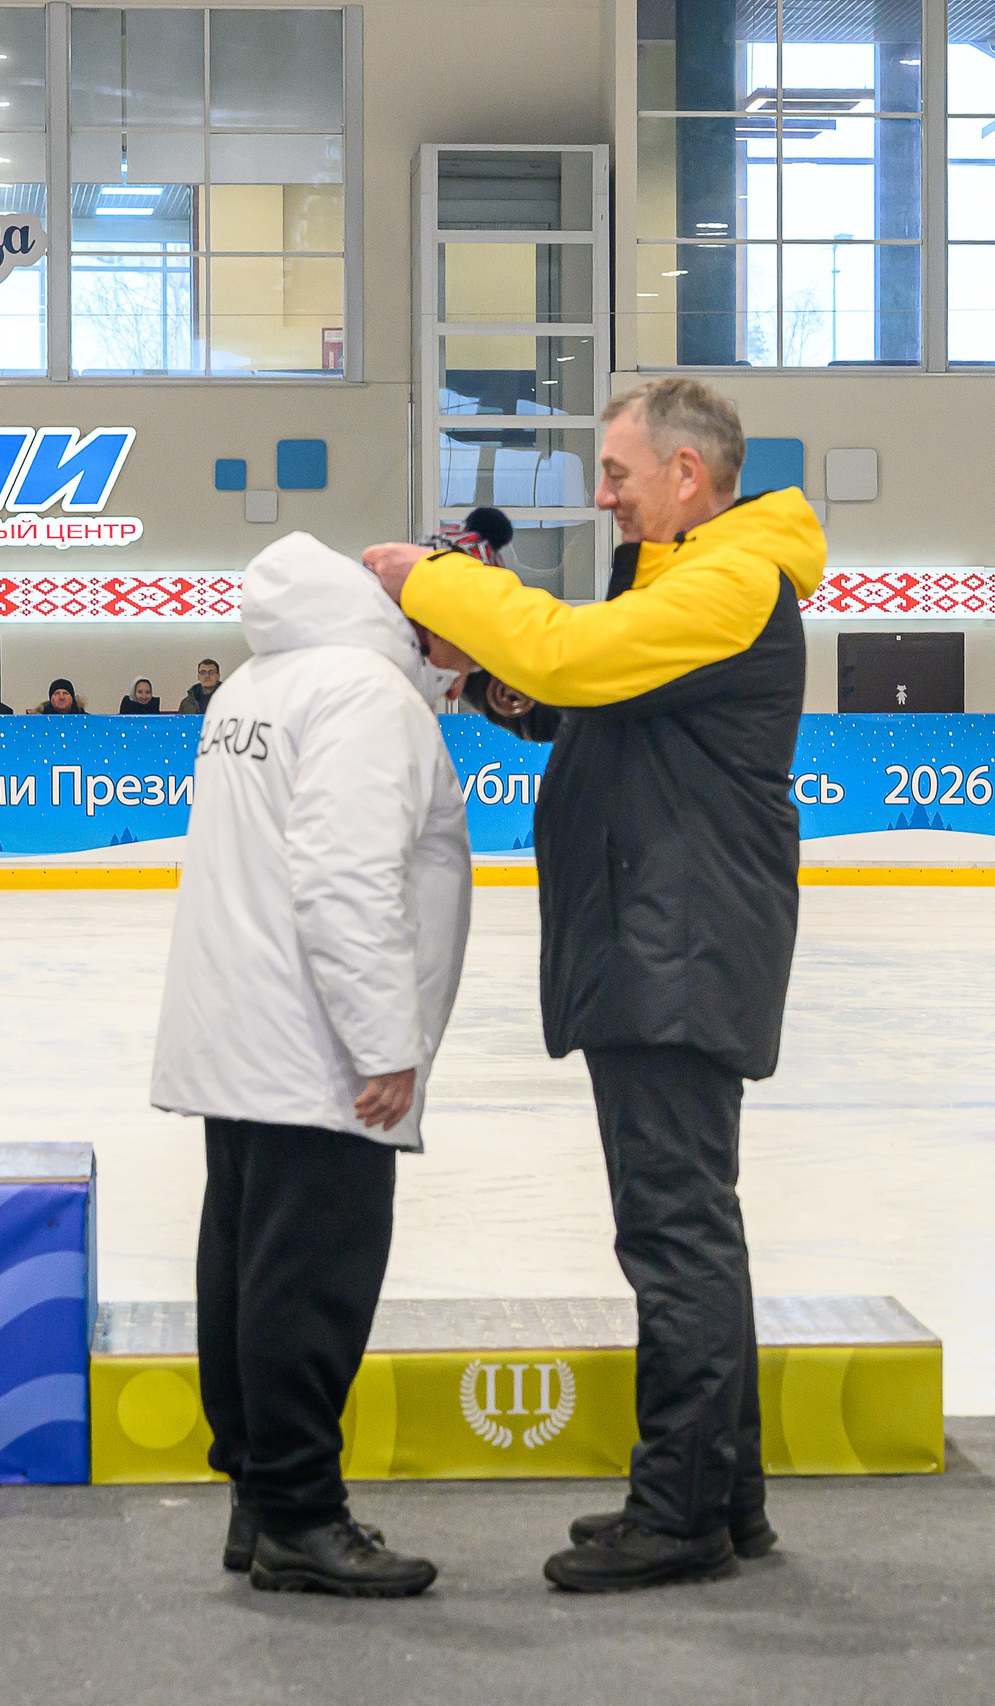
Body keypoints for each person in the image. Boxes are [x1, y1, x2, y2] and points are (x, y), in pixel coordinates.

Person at [366, 375, 823, 1593]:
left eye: (617, 474)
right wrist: (491, 680)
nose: (603, 496)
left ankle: (678, 1513)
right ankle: (723, 1497)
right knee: (689, 1224)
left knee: (673, 1232)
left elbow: (574, 654)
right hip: (659, 941)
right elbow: (590, 701)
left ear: (686, 473)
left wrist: (433, 579)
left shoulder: (731, 581)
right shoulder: (684, 581)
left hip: (675, 949)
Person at [148, 530, 472, 1599]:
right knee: (309, 1284)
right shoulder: (369, 696)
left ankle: (258, 1496)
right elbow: (345, 876)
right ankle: (298, 1513)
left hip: (245, 1031)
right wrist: (384, 1041)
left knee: (244, 1265)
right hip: (317, 1046)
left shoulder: (258, 679)